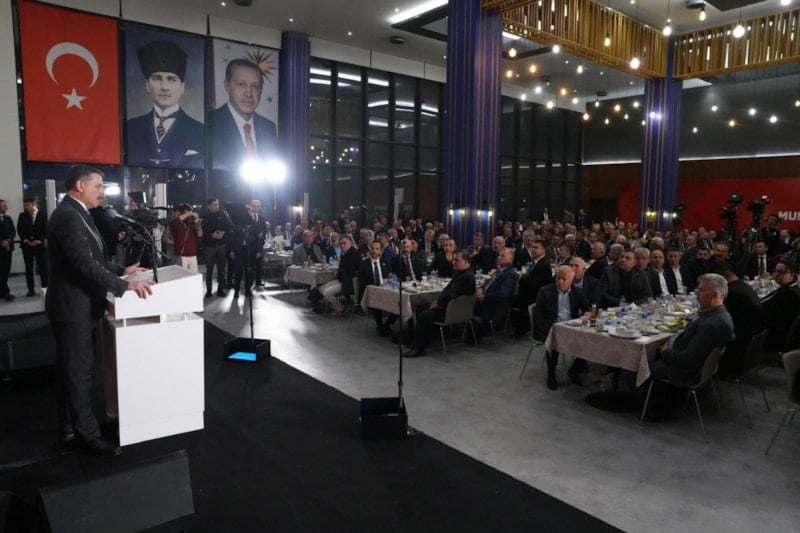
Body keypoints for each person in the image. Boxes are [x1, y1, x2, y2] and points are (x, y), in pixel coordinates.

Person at [47, 165, 153, 456]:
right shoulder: (68, 216)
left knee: (70, 371)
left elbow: (93, 258)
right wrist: (124, 285)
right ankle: (88, 436)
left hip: (78, 306)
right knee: (78, 373)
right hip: (73, 308)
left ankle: (70, 428)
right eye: (99, 186)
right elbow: (84, 264)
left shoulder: (78, 213)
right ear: (80, 185)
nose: (102, 192)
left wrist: (121, 270)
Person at [645, 274, 734, 418]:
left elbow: (687, 359)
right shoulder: (720, 314)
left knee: (640, 365)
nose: (696, 293)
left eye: (701, 290)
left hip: (685, 372)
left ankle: (654, 406)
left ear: (715, 295)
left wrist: (665, 352)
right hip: (698, 367)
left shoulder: (711, 325)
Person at [126, 40, 204, 168]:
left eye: (171, 79)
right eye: (157, 78)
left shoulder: (200, 131)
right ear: (147, 85)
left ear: (182, 87)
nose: (164, 87)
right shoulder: (130, 128)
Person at [403, 250, 476, 358]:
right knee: (421, 307)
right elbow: (447, 290)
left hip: (450, 311)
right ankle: (420, 340)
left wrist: (439, 303)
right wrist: (437, 301)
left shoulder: (466, 277)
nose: (453, 262)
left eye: (457, 260)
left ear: (466, 262)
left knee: (423, 315)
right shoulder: (462, 273)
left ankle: (419, 348)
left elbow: (452, 294)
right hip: (449, 307)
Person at [210, 58, 278, 172]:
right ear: (227, 86)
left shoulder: (268, 127)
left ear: (261, 90)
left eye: (255, 86)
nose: (249, 93)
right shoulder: (210, 123)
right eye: (241, 84)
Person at [534, 265, 591, 390]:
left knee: (588, 342)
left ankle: (574, 370)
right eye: (558, 278)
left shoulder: (577, 292)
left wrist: (587, 313)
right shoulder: (545, 291)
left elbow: (588, 308)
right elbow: (538, 315)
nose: (560, 282)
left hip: (571, 328)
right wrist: (548, 329)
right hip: (551, 327)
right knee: (554, 341)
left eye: (564, 279)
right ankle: (551, 374)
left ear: (571, 280)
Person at [708, 262, 763, 374]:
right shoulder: (744, 287)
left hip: (737, 345)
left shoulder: (732, 292)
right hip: (749, 339)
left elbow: (717, 316)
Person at [473, 247, 518, 337]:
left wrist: (484, 297)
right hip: (484, 299)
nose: (499, 257)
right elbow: (487, 283)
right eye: (499, 255)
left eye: (502, 256)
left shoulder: (510, 274)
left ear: (510, 258)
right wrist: (481, 288)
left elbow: (503, 293)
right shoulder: (499, 271)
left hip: (492, 306)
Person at [514, 237, 553, 337]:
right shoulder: (536, 262)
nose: (533, 250)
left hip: (533, 297)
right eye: (532, 247)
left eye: (536, 248)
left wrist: (521, 278)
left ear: (543, 250)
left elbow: (535, 285)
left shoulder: (543, 265)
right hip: (529, 294)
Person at [761, 261, 800, 352]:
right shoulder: (793, 289)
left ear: (791, 275)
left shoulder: (788, 294)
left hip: (776, 336)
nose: (776, 275)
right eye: (775, 271)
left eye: (780, 272)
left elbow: (767, 312)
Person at [318, 235, 360, 317]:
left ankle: (340, 309)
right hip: (343, 279)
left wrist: (338, 273)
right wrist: (338, 273)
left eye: (344, 243)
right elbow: (342, 268)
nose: (342, 245)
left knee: (327, 292)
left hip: (350, 282)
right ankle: (336, 306)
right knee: (321, 289)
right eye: (340, 243)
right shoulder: (344, 253)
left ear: (350, 242)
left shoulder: (354, 253)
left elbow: (350, 269)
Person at [359, 240, 393, 335]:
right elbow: (362, 283)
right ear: (369, 249)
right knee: (375, 298)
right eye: (372, 248)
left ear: (381, 251)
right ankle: (380, 325)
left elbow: (389, 278)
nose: (374, 251)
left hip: (385, 290)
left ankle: (387, 324)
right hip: (371, 292)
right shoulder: (363, 264)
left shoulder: (385, 263)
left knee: (400, 302)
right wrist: (375, 289)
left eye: (377, 249)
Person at [17, 197, 49, 296]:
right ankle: (31, 290)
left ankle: (45, 288)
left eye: (27, 205)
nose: (26, 207)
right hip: (27, 245)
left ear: (34, 204)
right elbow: (20, 229)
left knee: (43, 268)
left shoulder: (44, 214)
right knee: (29, 268)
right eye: (25, 205)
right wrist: (25, 239)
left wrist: (40, 240)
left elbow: (46, 228)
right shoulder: (22, 215)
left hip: (40, 245)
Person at [201, 197, 231, 297]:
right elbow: (201, 232)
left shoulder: (223, 215)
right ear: (209, 206)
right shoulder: (204, 216)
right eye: (214, 205)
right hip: (209, 246)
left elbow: (229, 227)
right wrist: (211, 235)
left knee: (221, 270)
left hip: (221, 245)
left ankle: (220, 289)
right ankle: (209, 290)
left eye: (217, 205)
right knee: (209, 270)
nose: (217, 207)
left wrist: (223, 233)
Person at [170, 203, 203, 273]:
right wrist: (189, 214)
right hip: (181, 256)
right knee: (182, 276)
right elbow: (178, 220)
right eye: (187, 213)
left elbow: (200, 235)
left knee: (193, 276)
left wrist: (197, 223)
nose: (189, 215)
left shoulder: (192, 224)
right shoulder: (175, 223)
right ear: (181, 213)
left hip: (193, 255)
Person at [0, 199, 15, 301]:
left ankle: (3, 292)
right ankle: (5, 292)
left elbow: (12, 231)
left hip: (7, 249)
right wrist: (1, 242)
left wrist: (8, 241)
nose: (7, 208)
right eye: (4, 206)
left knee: (5, 271)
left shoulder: (7, 218)